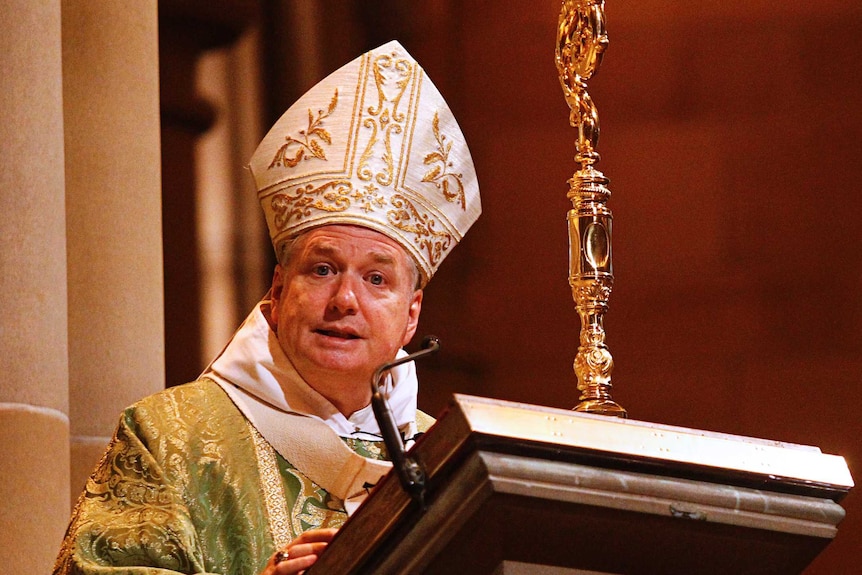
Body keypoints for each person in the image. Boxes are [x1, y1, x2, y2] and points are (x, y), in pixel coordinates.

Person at [52, 40, 480, 575]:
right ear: (277, 292)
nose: (346, 300)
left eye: (376, 279)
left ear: (411, 315)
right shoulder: (169, 437)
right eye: (322, 269)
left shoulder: (451, 465)